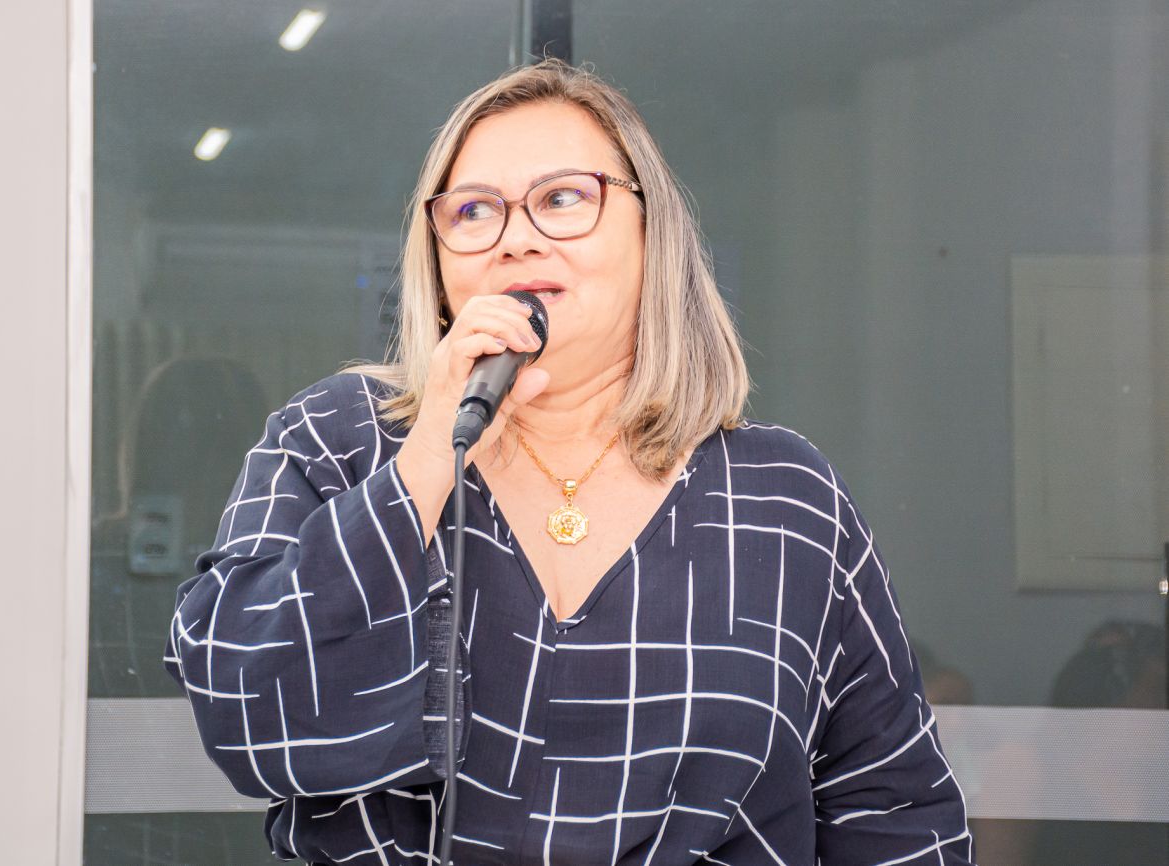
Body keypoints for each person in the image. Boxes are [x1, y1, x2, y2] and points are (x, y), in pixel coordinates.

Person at [164, 59, 976, 865]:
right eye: (474, 211)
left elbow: (896, 812)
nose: (517, 239)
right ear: (439, 265)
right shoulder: (340, 438)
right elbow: (239, 706)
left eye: (562, 199)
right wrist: (424, 464)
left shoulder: (785, 499)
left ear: (651, 234)